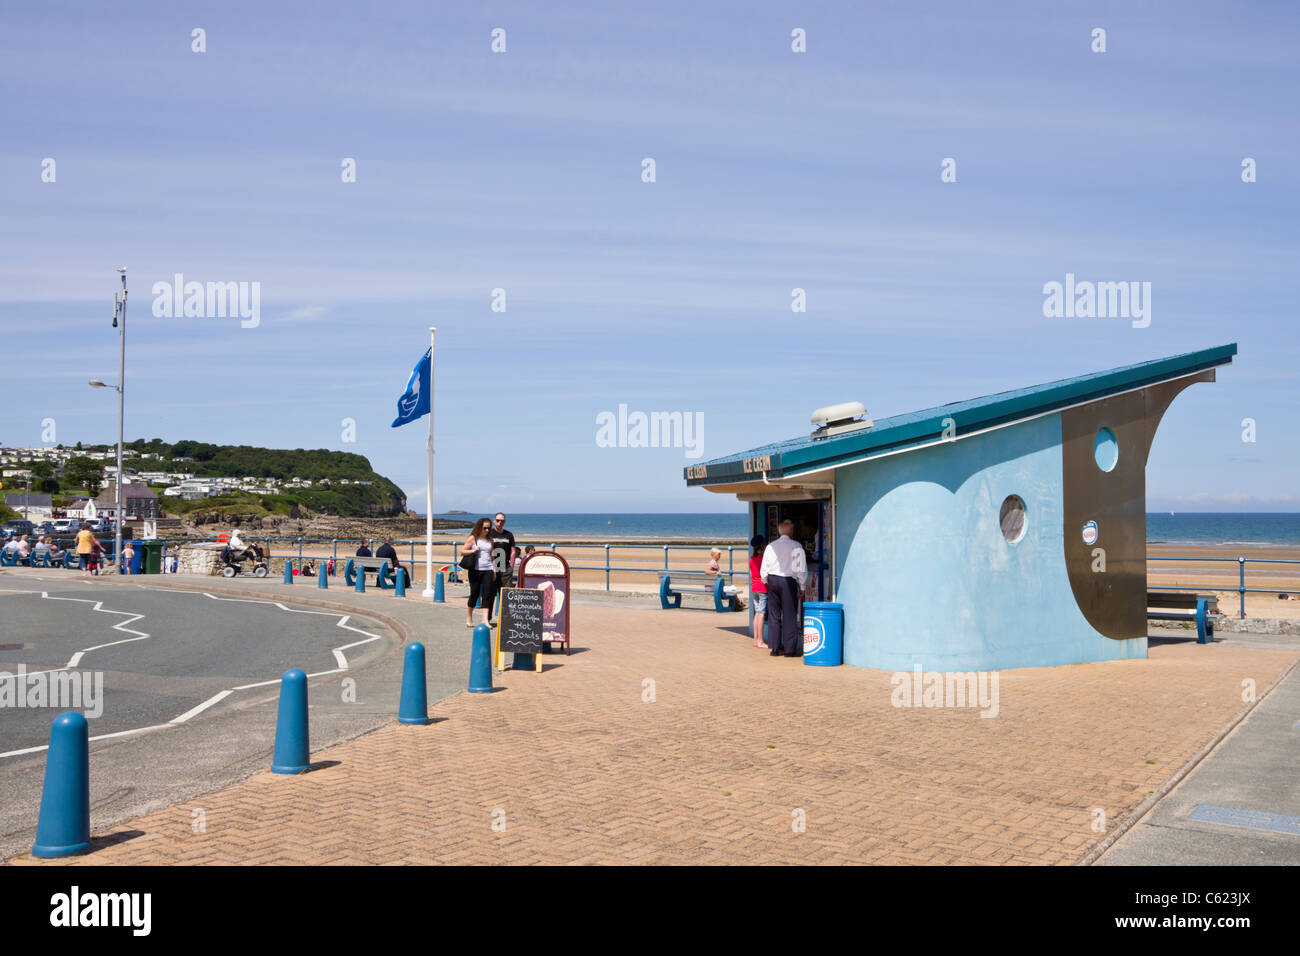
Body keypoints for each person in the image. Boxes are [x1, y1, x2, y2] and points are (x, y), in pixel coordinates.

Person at [760, 519, 807, 658]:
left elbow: (764, 567)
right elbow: (800, 568)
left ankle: (774, 648)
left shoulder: (771, 546)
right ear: (791, 531)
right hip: (788, 580)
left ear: (780, 531)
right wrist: (802, 586)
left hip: (773, 580)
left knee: (774, 614)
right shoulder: (796, 546)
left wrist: (765, 580)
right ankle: (789, 649)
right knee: (790, 614)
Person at [461, 518, 496, 628]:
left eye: (489, 528)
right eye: (484, 528)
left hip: (488, 570)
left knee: (487, 595)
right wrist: (473, 550)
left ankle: (485, 620)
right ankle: (469, 616)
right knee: (474, 594)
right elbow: (462, 551)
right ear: (479, 527)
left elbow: (491, 556)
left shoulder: (490, 540)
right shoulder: (473, 538)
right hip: (475, 570)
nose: (486, 530)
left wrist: (494, 570)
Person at [748, 535, 768, 648]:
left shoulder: (752, 559)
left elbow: (752, 574)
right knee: (761, 613)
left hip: (754, 587)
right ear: (762, 545)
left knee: (757, 613)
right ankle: (760, 640)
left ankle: (755, 639)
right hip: (762, 588)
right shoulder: (762, 558)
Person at [489, 513, 517, 593]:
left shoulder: (509, 535)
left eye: (502, 521)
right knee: (490, 594)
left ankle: (502, 606)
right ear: (494, 521)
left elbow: (513, 550)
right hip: (492, 567)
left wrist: (511, 566)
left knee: (506, 594)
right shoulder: (489, 533)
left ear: (504, 522)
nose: (500, 522)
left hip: (506, 568)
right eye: (498, 520)